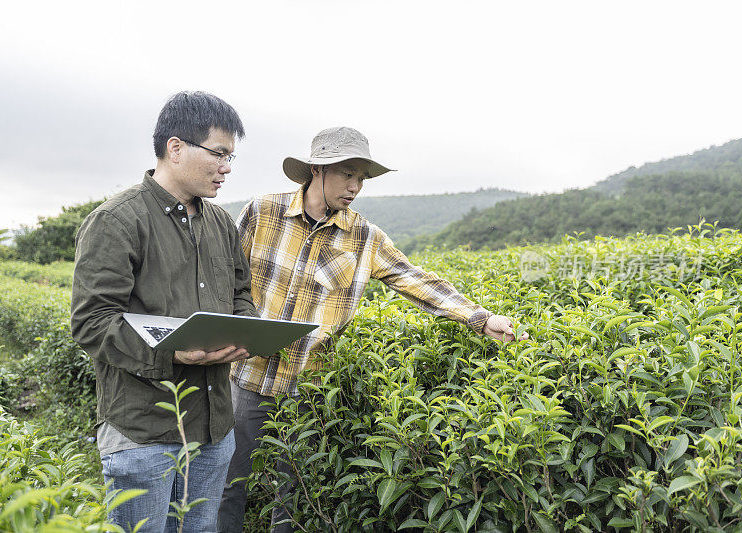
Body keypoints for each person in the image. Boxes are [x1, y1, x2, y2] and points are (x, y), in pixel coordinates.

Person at [217, 126, 529, 532]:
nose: (355, 187)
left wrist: (482, 318)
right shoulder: (263, 212)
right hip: (248, 377)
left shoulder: (364, 237)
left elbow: (414, 279)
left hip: (308, 388)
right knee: (228, 484)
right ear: (317, 169)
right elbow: (224, 274)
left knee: (291, 493)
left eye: (361, 178)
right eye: (347, 174)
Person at [71, 91, 258, 532]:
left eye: (231, 157)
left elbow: (240, 295)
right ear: (176, 148)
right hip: (142, 430)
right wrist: (171, 353)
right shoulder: (118, 221)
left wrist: (245, 331)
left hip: (215, 429)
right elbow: (92, 322)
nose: (226, 167)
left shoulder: (221, 224)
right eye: (219, 153)